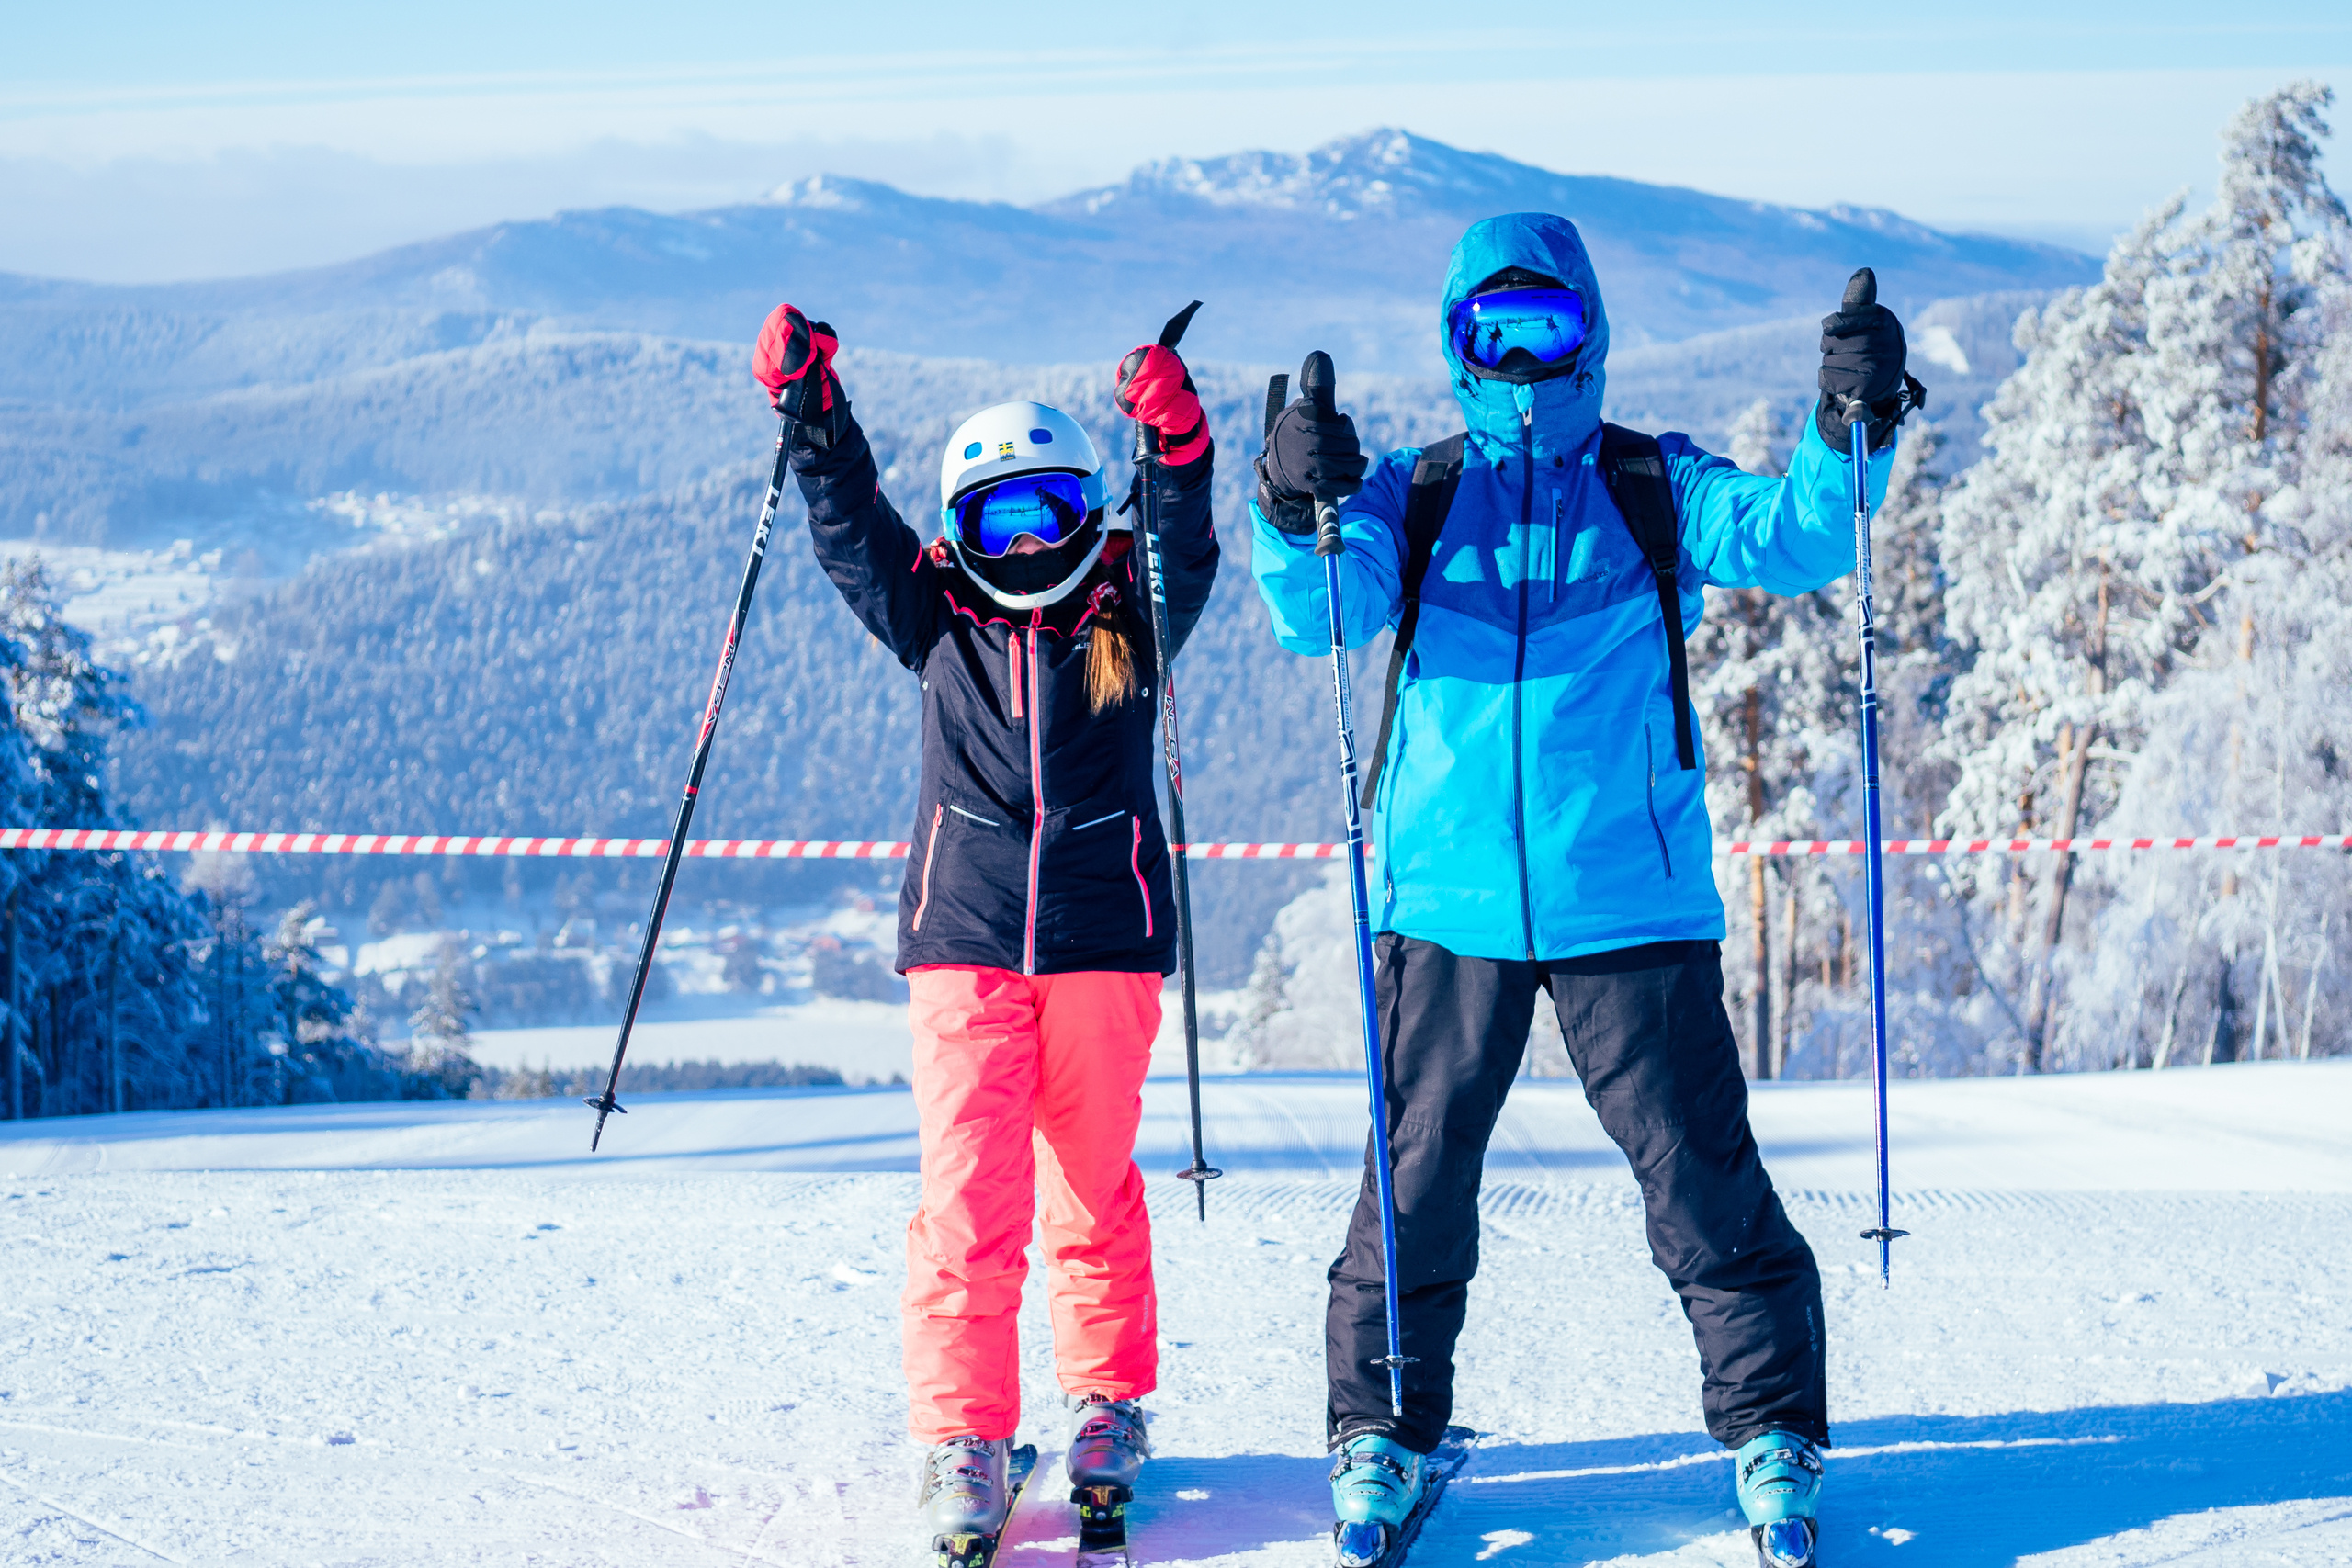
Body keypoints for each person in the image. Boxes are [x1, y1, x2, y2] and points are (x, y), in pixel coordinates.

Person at [1247, 216, 1918, 1568]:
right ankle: (1382, 1428)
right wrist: (1289, 498)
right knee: (1413, 1177)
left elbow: (1799, 535)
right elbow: (1318, 610)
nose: (1524, 358)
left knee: (1698, 1175)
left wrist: (1852, 421)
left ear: (1590, 331)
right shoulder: (1419, 496)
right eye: (1497, 332)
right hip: (1448, 904)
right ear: (1459, 341)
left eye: (1547, 329)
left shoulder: (1649, 481)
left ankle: (1771, 1425)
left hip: (1633, 899)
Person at [752, 306, 1220, 1553]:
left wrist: (1176, 442)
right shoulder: (936, 615)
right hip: (963, 942)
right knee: (968, 1199)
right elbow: (851, 526)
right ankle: (965, 1435)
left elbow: (1183, 534)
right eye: (999, 520)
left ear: (1085, 514)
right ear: (964, 533)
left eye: (1049, 515)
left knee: (1092, 1184)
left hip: (1105, 939)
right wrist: (812, 410)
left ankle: (1108, 1409)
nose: (1026, 542)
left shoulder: (1133, 611)